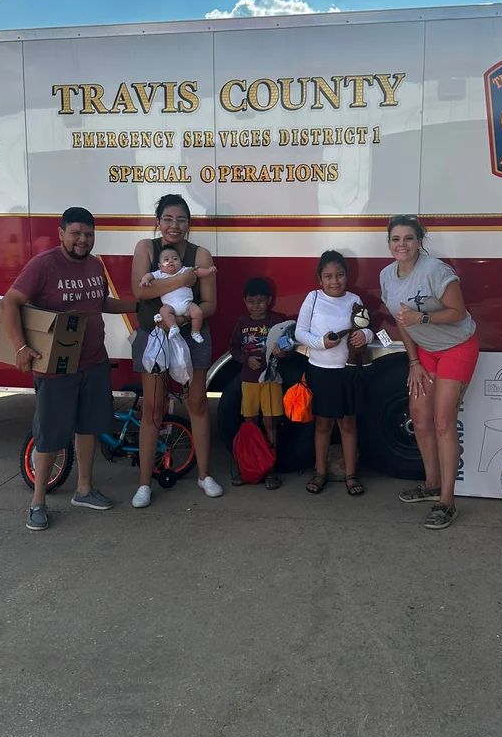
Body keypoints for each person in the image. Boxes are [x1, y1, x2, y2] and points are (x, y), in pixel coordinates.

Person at [1, 207, 136, 532]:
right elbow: (10, 301)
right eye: (76, 233)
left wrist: (141, 305)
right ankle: (38, 502)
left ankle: (84, 490)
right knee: (50, 435)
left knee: (88, 427)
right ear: (61, 233)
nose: (83, 239)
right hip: (56, 368)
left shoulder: (94, 264)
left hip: (94, 362)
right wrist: (21, 347)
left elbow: (101, 302)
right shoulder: (44, 265)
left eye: (88, 234)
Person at [379, 215, 479, 530]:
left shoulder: (436, 271)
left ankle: (447, 502)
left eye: (409, 238)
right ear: (389, 243)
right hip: (425, 354)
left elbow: (458, 312)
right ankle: (431, 484)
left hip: (456, 347)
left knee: (443, 422)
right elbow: (400, 320)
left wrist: (422, 318)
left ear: (419, 241)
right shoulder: (387, 275)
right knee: (419, 418)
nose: (402, 245)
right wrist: (413, 361)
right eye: (396, 239)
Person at [130, 194, 223, 506]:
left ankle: (204, 475)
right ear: (158, 222)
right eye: (168, 219)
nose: (174, 225)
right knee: (152, 410)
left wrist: (183, 317)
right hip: (153, 337)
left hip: (191, 336)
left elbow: (209, 304)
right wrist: (183, 279)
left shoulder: (202, 255)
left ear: (189, 224)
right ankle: (144, 483)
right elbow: (138, 291)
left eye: (181, 220)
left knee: (196, 404)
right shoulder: (146, 248)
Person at [295, 251, 373, 497]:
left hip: (347, 372)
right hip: (320, 371)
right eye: (328, 276)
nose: (334, 281)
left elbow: (366, 328)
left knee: (348, 423)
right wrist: (320, 343)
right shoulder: (313, 298)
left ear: (347, 277)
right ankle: (320, 472)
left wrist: (365, 336)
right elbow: (300, 332)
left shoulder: (354, 299)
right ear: (320, 279)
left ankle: (351, 474)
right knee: (322, 424)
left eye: (339, 275)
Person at [228, 277, 286, 490]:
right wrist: (246, 359)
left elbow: (285, 347)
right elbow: (233, 348)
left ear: (269, 300)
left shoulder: (276, 321)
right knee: (249, 424)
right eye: (251, 302)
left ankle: (270, 470)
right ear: (245, 301)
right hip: (248, 381)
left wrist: (281, 353)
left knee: (270, 423)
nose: (256, 306)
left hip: (271, 380)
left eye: (261, 301)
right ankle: (248, 467)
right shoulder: (242, 322)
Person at [140, 244, 216, 343]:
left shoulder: (184, 271)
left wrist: (208, 271)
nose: (171, 261)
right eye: (166, 260)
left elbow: (198, 272)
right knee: (163, 311)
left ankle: (195, 332)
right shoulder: (160, 274)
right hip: (170, 306)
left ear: (181, 263)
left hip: (188, 305)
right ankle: (173, 327)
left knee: (198, 313)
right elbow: (149, 275)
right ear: (160, 266)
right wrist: (145, 279)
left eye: (175, 259)